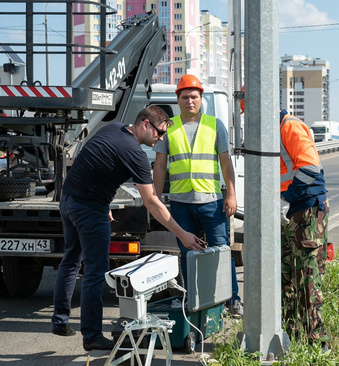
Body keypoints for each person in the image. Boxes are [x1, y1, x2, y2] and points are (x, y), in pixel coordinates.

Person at [51, 105, 204, 351]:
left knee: (71, 260)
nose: (160, 139)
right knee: (94, 271)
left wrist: (103, 200)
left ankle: (60, 321)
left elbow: (93, 162)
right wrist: (182, 234)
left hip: (69, 200)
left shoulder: (113, 128)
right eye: (159, 133)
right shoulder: (135, 153)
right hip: (89, 209)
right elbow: (152, 202)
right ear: (145, 124)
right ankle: (91, 335)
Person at [152, 74, 243, 317]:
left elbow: (226, 163)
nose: (189, 101)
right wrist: (156, 197)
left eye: (194, 97)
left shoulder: (215, 125)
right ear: (177, 100)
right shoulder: (168, 128)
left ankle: (232, 300)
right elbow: (160, 166)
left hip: (212, 202)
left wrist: (231, 194)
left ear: (201, 99)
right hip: (181, 205)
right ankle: (194, 300)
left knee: (222, 251)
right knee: (188, 255)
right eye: (184, 97)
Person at [278, 108, 329, 350]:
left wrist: (285, 198)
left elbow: (310, 170)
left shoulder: (288, 126)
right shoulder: (270, 130)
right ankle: (290, 338)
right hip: (291, 209)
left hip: (306, 208)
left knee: (308, 279)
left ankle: (318, 344)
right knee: (287, 278)